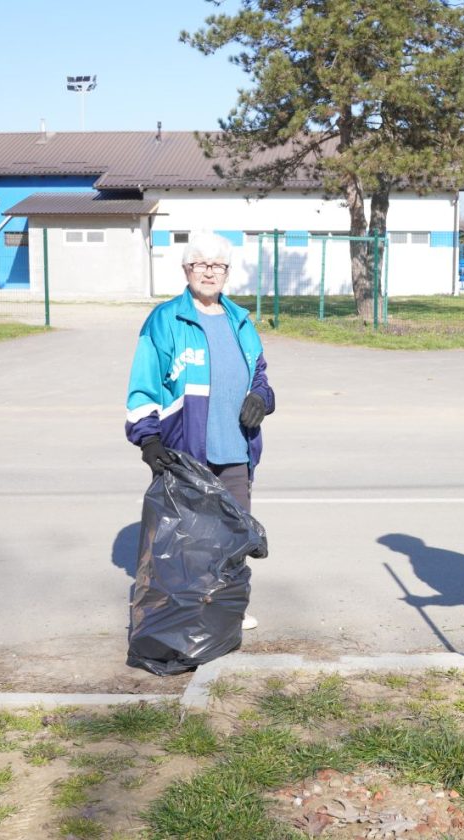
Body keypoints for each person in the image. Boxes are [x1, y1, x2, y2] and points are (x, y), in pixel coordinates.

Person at [125, 231, 274, 631]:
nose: (209, 272)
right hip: (186, 450)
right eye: (201, 265)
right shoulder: (166, 319)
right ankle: (189, 614)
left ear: (227, 273)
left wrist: (261, 398)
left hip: (236, 450)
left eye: (217, 266)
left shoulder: (240, 320)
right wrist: (149, 438)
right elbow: (144, 382)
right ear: (187, 270)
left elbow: (259, 375)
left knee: (234, 532)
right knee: (189, 539)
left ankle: (227, 608)